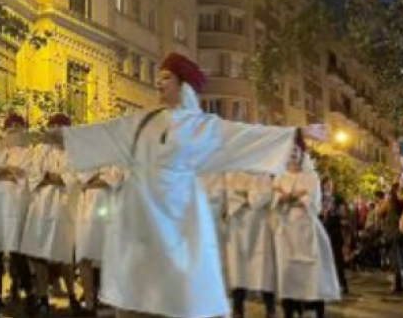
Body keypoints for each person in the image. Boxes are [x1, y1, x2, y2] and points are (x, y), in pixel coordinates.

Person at [42, 52, 329, 318]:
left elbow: (243, 136)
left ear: (184, 85)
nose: (158, 83)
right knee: (134, 296)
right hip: (139, 218)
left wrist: (297, 132)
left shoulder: (201, 126)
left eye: (166, 77)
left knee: (177, 296)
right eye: (159, 77)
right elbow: (109, 133)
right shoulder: (145, 121)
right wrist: (66, 137)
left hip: (179, 221)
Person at [20, 113, 82, 315]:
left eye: (60, 126)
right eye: (52, 125)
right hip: (40, 207)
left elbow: (74, 177)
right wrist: (53, 178)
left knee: (64, 256)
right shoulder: (40, 150)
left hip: (63, 208)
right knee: (39, 255)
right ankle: (43, 299)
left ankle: (72, 297)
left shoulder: (75, 151)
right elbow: (33, 175)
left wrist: (53, 178)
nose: (55, 129)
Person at [272, 141, 341, 318]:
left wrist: (289, 196)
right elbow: (276, 198)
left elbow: (312, 200)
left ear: (302, 154)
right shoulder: (280, 176)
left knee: (312, 271)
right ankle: (289, 309)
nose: (292, 154)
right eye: (290, 151)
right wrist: (295, 195)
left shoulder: (311, 177)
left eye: (296, 151)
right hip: (286, 231)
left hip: (307, 230)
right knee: (287, 272)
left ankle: (316, 307)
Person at [0, 114, 35, 310]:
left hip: (15, 206)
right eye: (10, 126)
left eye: (18, 125)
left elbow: (24, 174)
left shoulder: (29, 152)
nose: (14, 128)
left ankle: (29, 293)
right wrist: (8, 170)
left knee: (17, 251)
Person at [225, 171, 277, 318]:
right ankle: (238, 308)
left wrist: (246, 197)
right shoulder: (232, 172)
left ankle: (270, 308)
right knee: (238, 268)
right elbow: (228, 195)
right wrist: (248, 197)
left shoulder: (263, 172)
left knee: (264, 268)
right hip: (238, 224)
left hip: (259, 225)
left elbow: (265, 195)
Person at [75, 165, 124, 315]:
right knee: (84, 255)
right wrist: (99, 177)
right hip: (86, 210)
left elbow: (117, 178)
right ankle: (89, 303)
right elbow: (80, 177)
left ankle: (108, 300)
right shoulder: (86, 156)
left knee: (109, 256)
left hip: (110, 208)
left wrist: (93, 179)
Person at [379, 182, 403, 294]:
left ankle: (398, 285)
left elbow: (379, 213)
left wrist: (383, 202)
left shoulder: (389, 202)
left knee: (395, 260)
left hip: (393, 233)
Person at [322, 189, 349, 294]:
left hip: (335, 237)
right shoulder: (329, 210)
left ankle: (342, 284)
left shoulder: (336, 209)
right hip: (329, 237)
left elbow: (344, 218)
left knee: (337, 262)